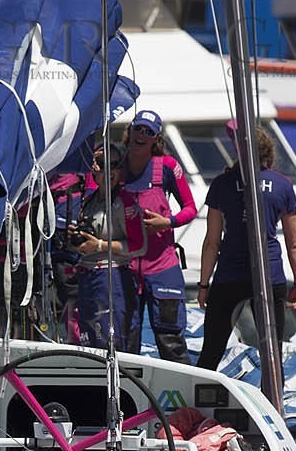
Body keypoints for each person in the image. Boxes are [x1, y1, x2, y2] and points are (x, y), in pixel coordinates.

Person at [196, 123, 296, 371]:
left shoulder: (222, 184)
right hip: (270, 274)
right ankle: (274, 405)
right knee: (272, 355)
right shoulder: (283, 185)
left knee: (211, 352)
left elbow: (212, 242)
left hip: (229, 275)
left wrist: (204, 285)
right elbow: (294, 243)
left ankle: (197, 406)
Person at [118, 110, 196, 362]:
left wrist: (167, 222)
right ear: (130, 131)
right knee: (125, 341)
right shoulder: (116, 166)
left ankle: (181, 401)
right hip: (125, 267)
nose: (141, 135)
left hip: (163, 266)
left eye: (148, 132)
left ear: (156, 138)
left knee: (170, 339)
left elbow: (190, 209)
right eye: (138, 129)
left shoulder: (168, 167)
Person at [51, 142, 144, 348]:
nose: (108, 171)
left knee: (111, 342)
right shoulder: (89, 200)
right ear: (94, 170)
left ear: (121, 170)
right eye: (102, 165)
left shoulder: (125, 202)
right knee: (88, 341)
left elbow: (139, 246)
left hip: (112, 278)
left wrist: (100, 245)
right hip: (87, 278)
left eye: (115, 165)